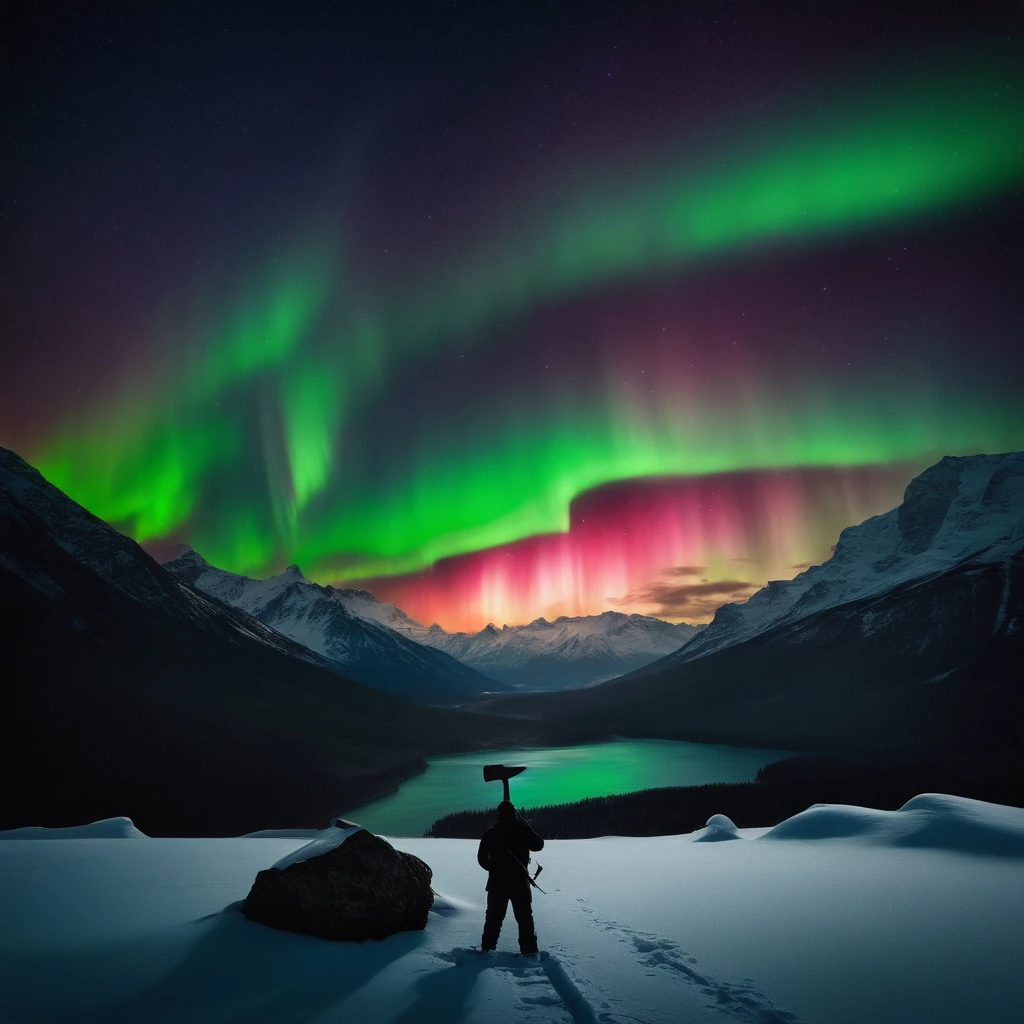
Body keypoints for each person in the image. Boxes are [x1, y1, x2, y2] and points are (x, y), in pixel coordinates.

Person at [477, 800, 544, 955]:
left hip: (496, 883)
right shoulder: (523, 830)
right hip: (520, 883)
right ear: (514, 813)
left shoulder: (491, 833)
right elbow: (539, 844)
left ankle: (487, 950)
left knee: (493, 919)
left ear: (499, 815)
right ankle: (529, 951)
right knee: (525, 918)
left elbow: (481, 858)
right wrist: (527, 827)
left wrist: (494, 868)